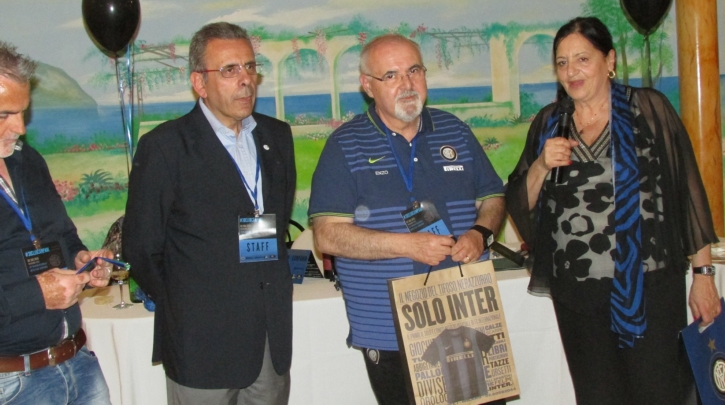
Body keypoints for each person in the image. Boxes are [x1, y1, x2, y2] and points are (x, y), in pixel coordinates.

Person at [505, 17, 721, 405]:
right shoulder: (550, 122)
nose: (571, 71)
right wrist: (540, 165)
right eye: (562, 63)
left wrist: (704, 275)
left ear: (610, 61)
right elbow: (519, 201)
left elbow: (688, 192)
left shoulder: (649, 109)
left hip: (650, 289)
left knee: (657, 395)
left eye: (582, 59)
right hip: (578, 295)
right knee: (597, 397)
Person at [308, 34, 505, 404]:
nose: (407, 83)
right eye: (391, 75)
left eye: (414, 71)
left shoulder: (455, 130)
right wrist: (407, 245)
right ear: (367, 86)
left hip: (466, 316)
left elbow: (493, 196)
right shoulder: (345, 145)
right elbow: (327, 236)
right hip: (391, 329)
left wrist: (481, 233)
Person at [123, 22, 295, 405]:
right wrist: (187, 304)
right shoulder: (165, 147)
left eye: (250, 67)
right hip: (200, 344)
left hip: (269, 342)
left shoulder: (277, 137)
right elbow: (141, 248)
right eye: (229, 70)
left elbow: (278, 221)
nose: (245, 80)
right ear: (199, 83)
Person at [0, 40, 112, 403]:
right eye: (4, 115)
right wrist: (37, 295)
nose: (19, 127)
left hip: (77, 362)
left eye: (23, 112)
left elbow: (62, 234)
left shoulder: (28, 160)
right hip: (14, 383)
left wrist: (81, 259)